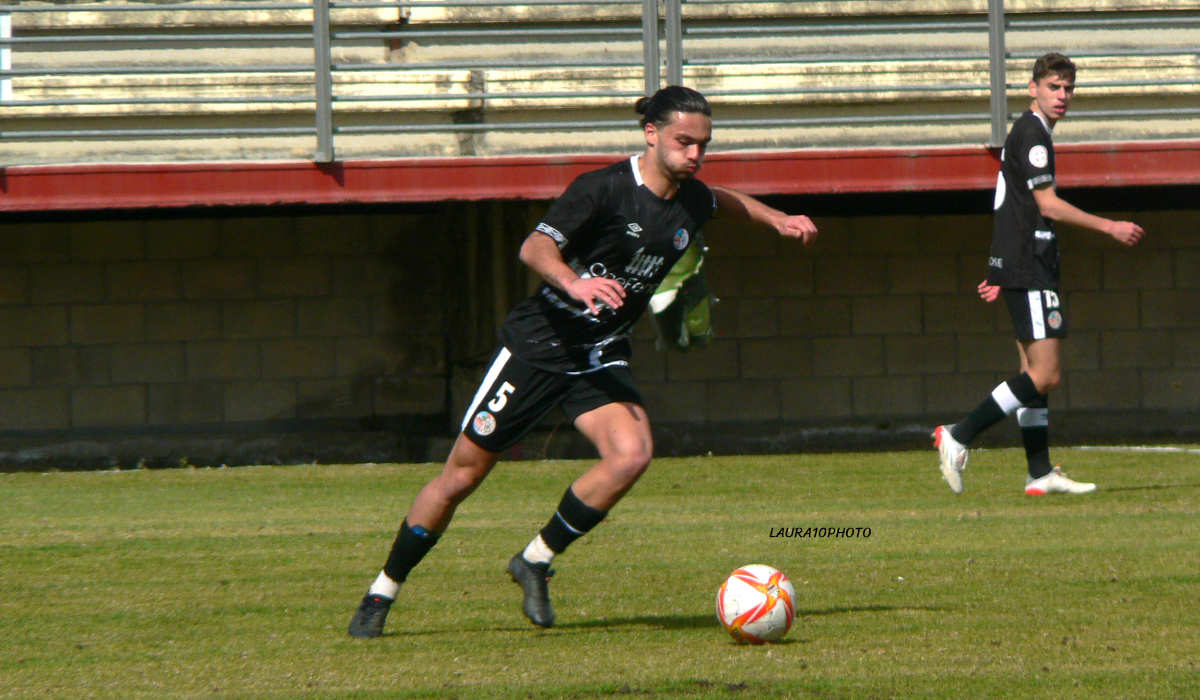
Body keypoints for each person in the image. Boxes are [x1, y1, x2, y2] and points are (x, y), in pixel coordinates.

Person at [347, 86, 819, 638]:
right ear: (652, 134)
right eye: (683, 142)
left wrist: (779, 218)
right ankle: (382, 592)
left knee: (632, 454)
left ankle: (536, 559)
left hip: (598, 353)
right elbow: (534, 248)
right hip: (539, 348)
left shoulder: (693, 198)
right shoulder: (603, 189)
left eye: (703, 146)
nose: (694, 155)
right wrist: (577, 282)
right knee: (462, 476)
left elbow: (728, 200)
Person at [933, 53, 1145, 496]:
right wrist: (1110, 226)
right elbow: (1045, 205)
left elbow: (1007, 204)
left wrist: (998, 268)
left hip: (1022, 265)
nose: (1062, 95)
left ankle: (1039, 472)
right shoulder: (1032, 134)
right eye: (1054, 86)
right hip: (1030, 268)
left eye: (1068, 88)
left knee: (1030, 371)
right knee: (1045, 375)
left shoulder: (1032, 133)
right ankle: (960, 434)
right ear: (1033, 88)